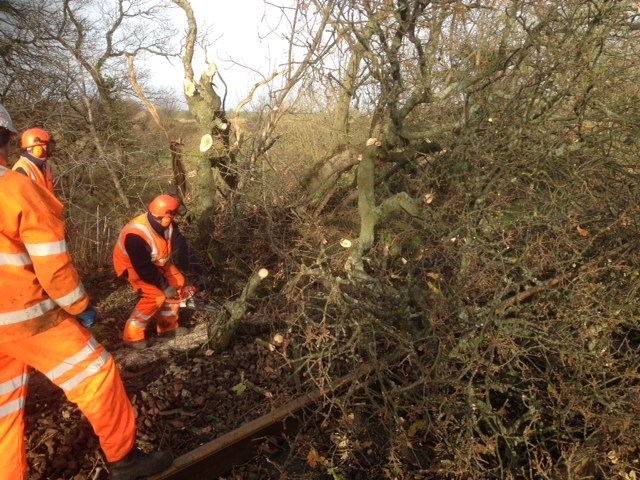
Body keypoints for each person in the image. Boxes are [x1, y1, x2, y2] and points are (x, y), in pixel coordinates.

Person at [0, 103, 172, 480]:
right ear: (10, 139)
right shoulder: (16, 187)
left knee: (4, 410)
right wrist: (79, 305)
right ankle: (124, 461)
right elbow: (52, 264)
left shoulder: (29, 176)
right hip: (25, 317)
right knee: (97, 375)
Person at [113, 194, 206, 349]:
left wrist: (199, 273)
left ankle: (167, 327)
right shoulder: (135, 235)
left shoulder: (169, 224)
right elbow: (143, 268)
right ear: (165, 215)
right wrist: (164, 286)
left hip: (158, 261)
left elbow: (183, 250)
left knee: (178, 282)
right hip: (132, 266)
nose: (174, 218)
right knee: (155, 295)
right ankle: (132, 337)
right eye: (173, 214)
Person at [12, 127, 56, 195]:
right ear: (37, 148)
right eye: (46, 145)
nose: (49, 149)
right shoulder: (22, 169)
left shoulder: (45, 166)